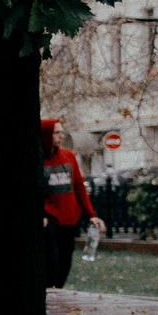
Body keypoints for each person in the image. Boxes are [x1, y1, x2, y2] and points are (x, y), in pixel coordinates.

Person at [39, 119, 103, 289]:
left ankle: (57, 293)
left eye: (62, 132)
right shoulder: (37, 160)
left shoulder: (68, 155)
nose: (62, 135)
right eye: (57, 132)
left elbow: (79, 187)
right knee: (51, 261)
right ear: (46, 135)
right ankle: (48, 295)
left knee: (65, 262)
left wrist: (91, 215)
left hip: (69, 218)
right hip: (49, 219)